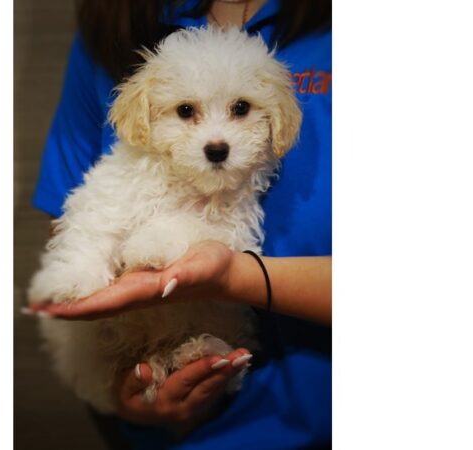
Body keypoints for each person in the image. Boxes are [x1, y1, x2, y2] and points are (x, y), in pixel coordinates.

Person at [30, 0, 332, 448]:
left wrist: (232, 275)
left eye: (241, 109)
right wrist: (122, 395)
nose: (216, 140)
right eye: (187, 112)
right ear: (145, 119)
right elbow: (83, 220)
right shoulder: (114, 23)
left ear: (278, 120)